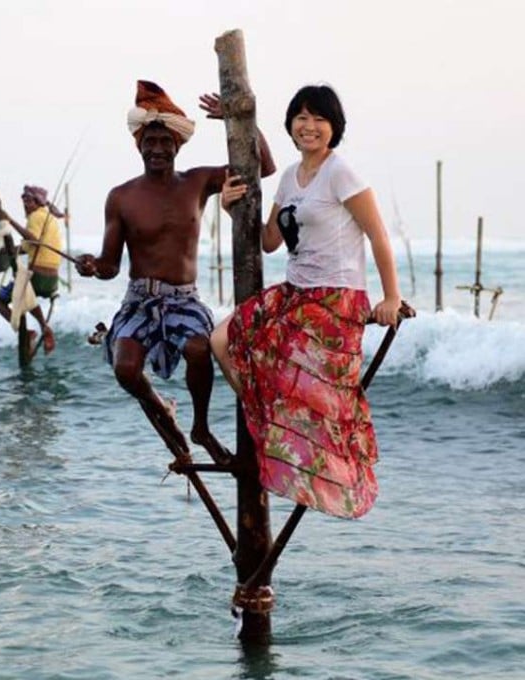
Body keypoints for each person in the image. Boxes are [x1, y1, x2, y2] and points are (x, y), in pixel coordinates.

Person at [211, 84, 402, 519]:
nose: (309, 126)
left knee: (300, 382)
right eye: (301, 117)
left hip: (335, 296)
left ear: (334, 127)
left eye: (319, 118)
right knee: (221, 340)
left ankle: (304, 456)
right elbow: (269, 242)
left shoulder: (341, 173)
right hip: (294, 292)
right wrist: (229, 207)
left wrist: (391, 296)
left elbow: (378, 236)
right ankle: (271, 427)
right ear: (291, 125)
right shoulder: (288, 177)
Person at [75, 80, 275, 466]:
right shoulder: (121, 196)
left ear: (177, 146)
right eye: (149, 142)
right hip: (139, 299)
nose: (157, 149)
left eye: (165, 142)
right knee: (125, 369)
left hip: (183, 298)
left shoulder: (197, 182)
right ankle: (161, 409)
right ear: (139, 146)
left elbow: (262, 167)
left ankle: (201, 428)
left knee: (198, 348)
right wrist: (92, 266)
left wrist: (237, 120)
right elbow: (109, 265)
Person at [0, 183, 64, 355]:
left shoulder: (35, 217)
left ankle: (31, 331)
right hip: (51, 281)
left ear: (38, 202)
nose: (25, 204)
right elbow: (26, 247)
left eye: (29, 201)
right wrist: (1, 251)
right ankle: (43, 328)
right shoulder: (48, 218)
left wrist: (9, 220)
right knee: (26, 294)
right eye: (23, 201)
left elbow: (34, 240)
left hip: (37, 276)